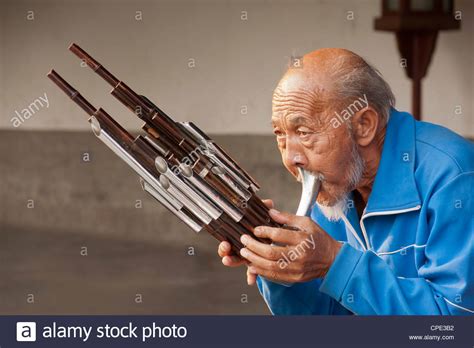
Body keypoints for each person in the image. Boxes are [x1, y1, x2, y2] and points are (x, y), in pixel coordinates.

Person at [218, 48, 473, 315]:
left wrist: (335, 262)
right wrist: (280, 269)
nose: (290, 158)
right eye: (280, 135)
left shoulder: (454, 178)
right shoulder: (336, 186)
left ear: (363, 125)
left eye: (304, 132)